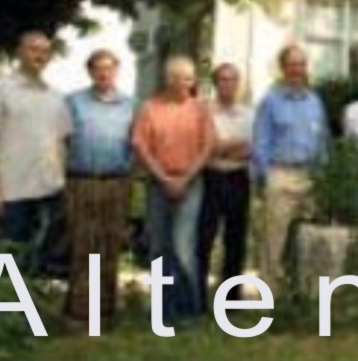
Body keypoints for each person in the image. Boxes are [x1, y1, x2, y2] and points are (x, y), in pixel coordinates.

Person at [0, 31, 71, 275]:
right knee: (9, 260)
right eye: (33, 49)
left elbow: (61, 142)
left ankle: (31, 297)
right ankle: (5, 299)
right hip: (12, 191)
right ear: (19, 52)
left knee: (40, 262)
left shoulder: (57, 97)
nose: (40, 55)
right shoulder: (1, 88)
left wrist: (64, 183)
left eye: (45, 51)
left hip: (50, 191)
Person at [132, 55, 215, 323]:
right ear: (170, 80)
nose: (190, 83)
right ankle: (162, 309)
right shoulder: (150, 108)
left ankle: (188, 309)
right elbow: (140, 146)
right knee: (159, 246)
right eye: (185, 78)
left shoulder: (200, 109)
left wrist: (185, 179)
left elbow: (207, 147)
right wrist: (164, 179)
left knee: (182, 245)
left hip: (191, 184)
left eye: (192, 78)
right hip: (158, 184)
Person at [64, 49, 136, 324]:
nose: (104, 73)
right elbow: (62, 141)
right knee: (83, 244)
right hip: (81, 181)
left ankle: (106, 310)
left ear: (116, 70)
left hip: (117, 182)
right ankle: (79, 311)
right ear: (90, 72)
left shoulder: (130, 105)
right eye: (98, 68)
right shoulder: (73, 102)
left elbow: (136, 144)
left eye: (109, 67)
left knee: (110, 244)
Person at [252, 44, 330, 296]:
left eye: (302, 64)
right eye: (293, 64)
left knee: (310, 238)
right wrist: (265, 178)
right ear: (283, 68)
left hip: (310, 176)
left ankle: (305, 296)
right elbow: (260, 142)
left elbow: (322, 141)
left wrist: (323, 174)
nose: (298, 69)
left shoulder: (315, 101)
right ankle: (268, 299)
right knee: (273, 241)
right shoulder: (270, 102)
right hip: (280, 174)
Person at [197, 63, 255, 307]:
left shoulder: (248, 115)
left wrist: (221, 147)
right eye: (223, 79)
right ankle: (198, 298)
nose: (228, 84)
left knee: (236, 239)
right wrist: (229, 147)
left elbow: (251, 149)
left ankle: (231, 300)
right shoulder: (204, 112)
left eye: (232, 80)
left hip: (238, 178)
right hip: (209, 178)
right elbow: (204, 148)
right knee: (203, 238)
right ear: (215, 83)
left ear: (238, 84)